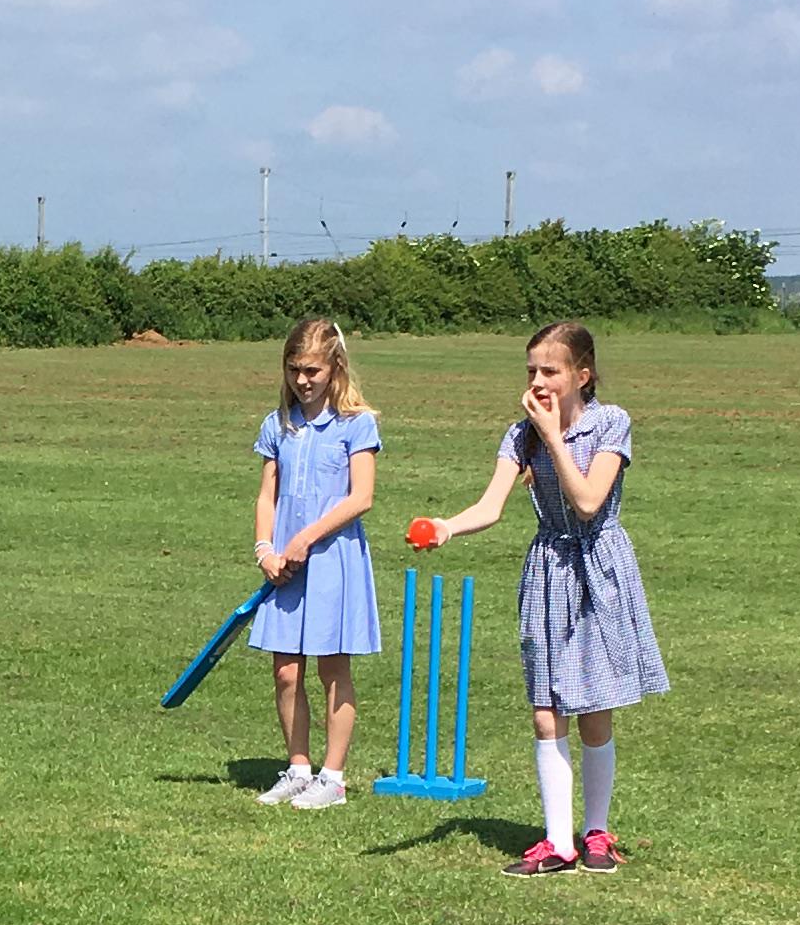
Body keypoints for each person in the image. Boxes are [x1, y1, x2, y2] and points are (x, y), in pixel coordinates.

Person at [407, 320, 667, 874]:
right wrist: (447, 526)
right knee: (546, 712)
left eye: (551, 371)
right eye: (531, 371)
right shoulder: (519, 434)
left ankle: (596, 833)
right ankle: (557, 843)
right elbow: (491, 506)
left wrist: (552, 436)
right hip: (549, 569)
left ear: (583, 375)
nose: (538, 382)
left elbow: (589, 502)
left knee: (593, 707)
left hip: (599, 567)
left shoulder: (610, 423)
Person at [247, 316, 381, 807]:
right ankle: (298, 769)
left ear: (335, 368)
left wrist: (307, 538)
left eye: (312, 371)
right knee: (286, 671)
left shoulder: (357, 424)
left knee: (332, 668)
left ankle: (333, 778)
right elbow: (267, 496)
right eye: (294, 370)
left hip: (333, 559)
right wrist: (265, 549)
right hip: (285, 563)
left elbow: (361, 497)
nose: (302, 380)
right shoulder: (278, 424)